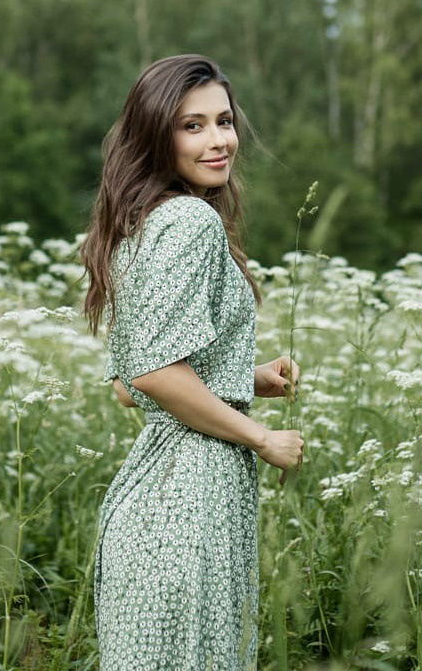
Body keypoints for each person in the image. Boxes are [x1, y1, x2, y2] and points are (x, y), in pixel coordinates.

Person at [79, 54, 307, 670]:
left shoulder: (142, 222)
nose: (218, 140)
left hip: (152, 507)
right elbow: (153, 375)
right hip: (190, 506)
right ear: (158, 135)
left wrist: (247, 379)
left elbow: (130, 385)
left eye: (224, 121)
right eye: (192, 126)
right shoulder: (189, 222)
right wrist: (262, 437)